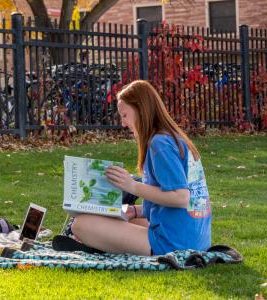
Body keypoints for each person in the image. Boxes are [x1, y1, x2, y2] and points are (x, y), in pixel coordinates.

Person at [70, 80, 211, 256]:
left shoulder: (159, 144)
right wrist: (135, 210)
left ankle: (95, 243)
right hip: (195, 238)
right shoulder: (174, 137)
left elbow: (181, 198)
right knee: (118, 219)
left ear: (140, 110)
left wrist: (132, 186)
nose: (123, 123)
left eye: (125, 115)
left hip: (174, 243)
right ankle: (100, 241)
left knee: (80, 224)